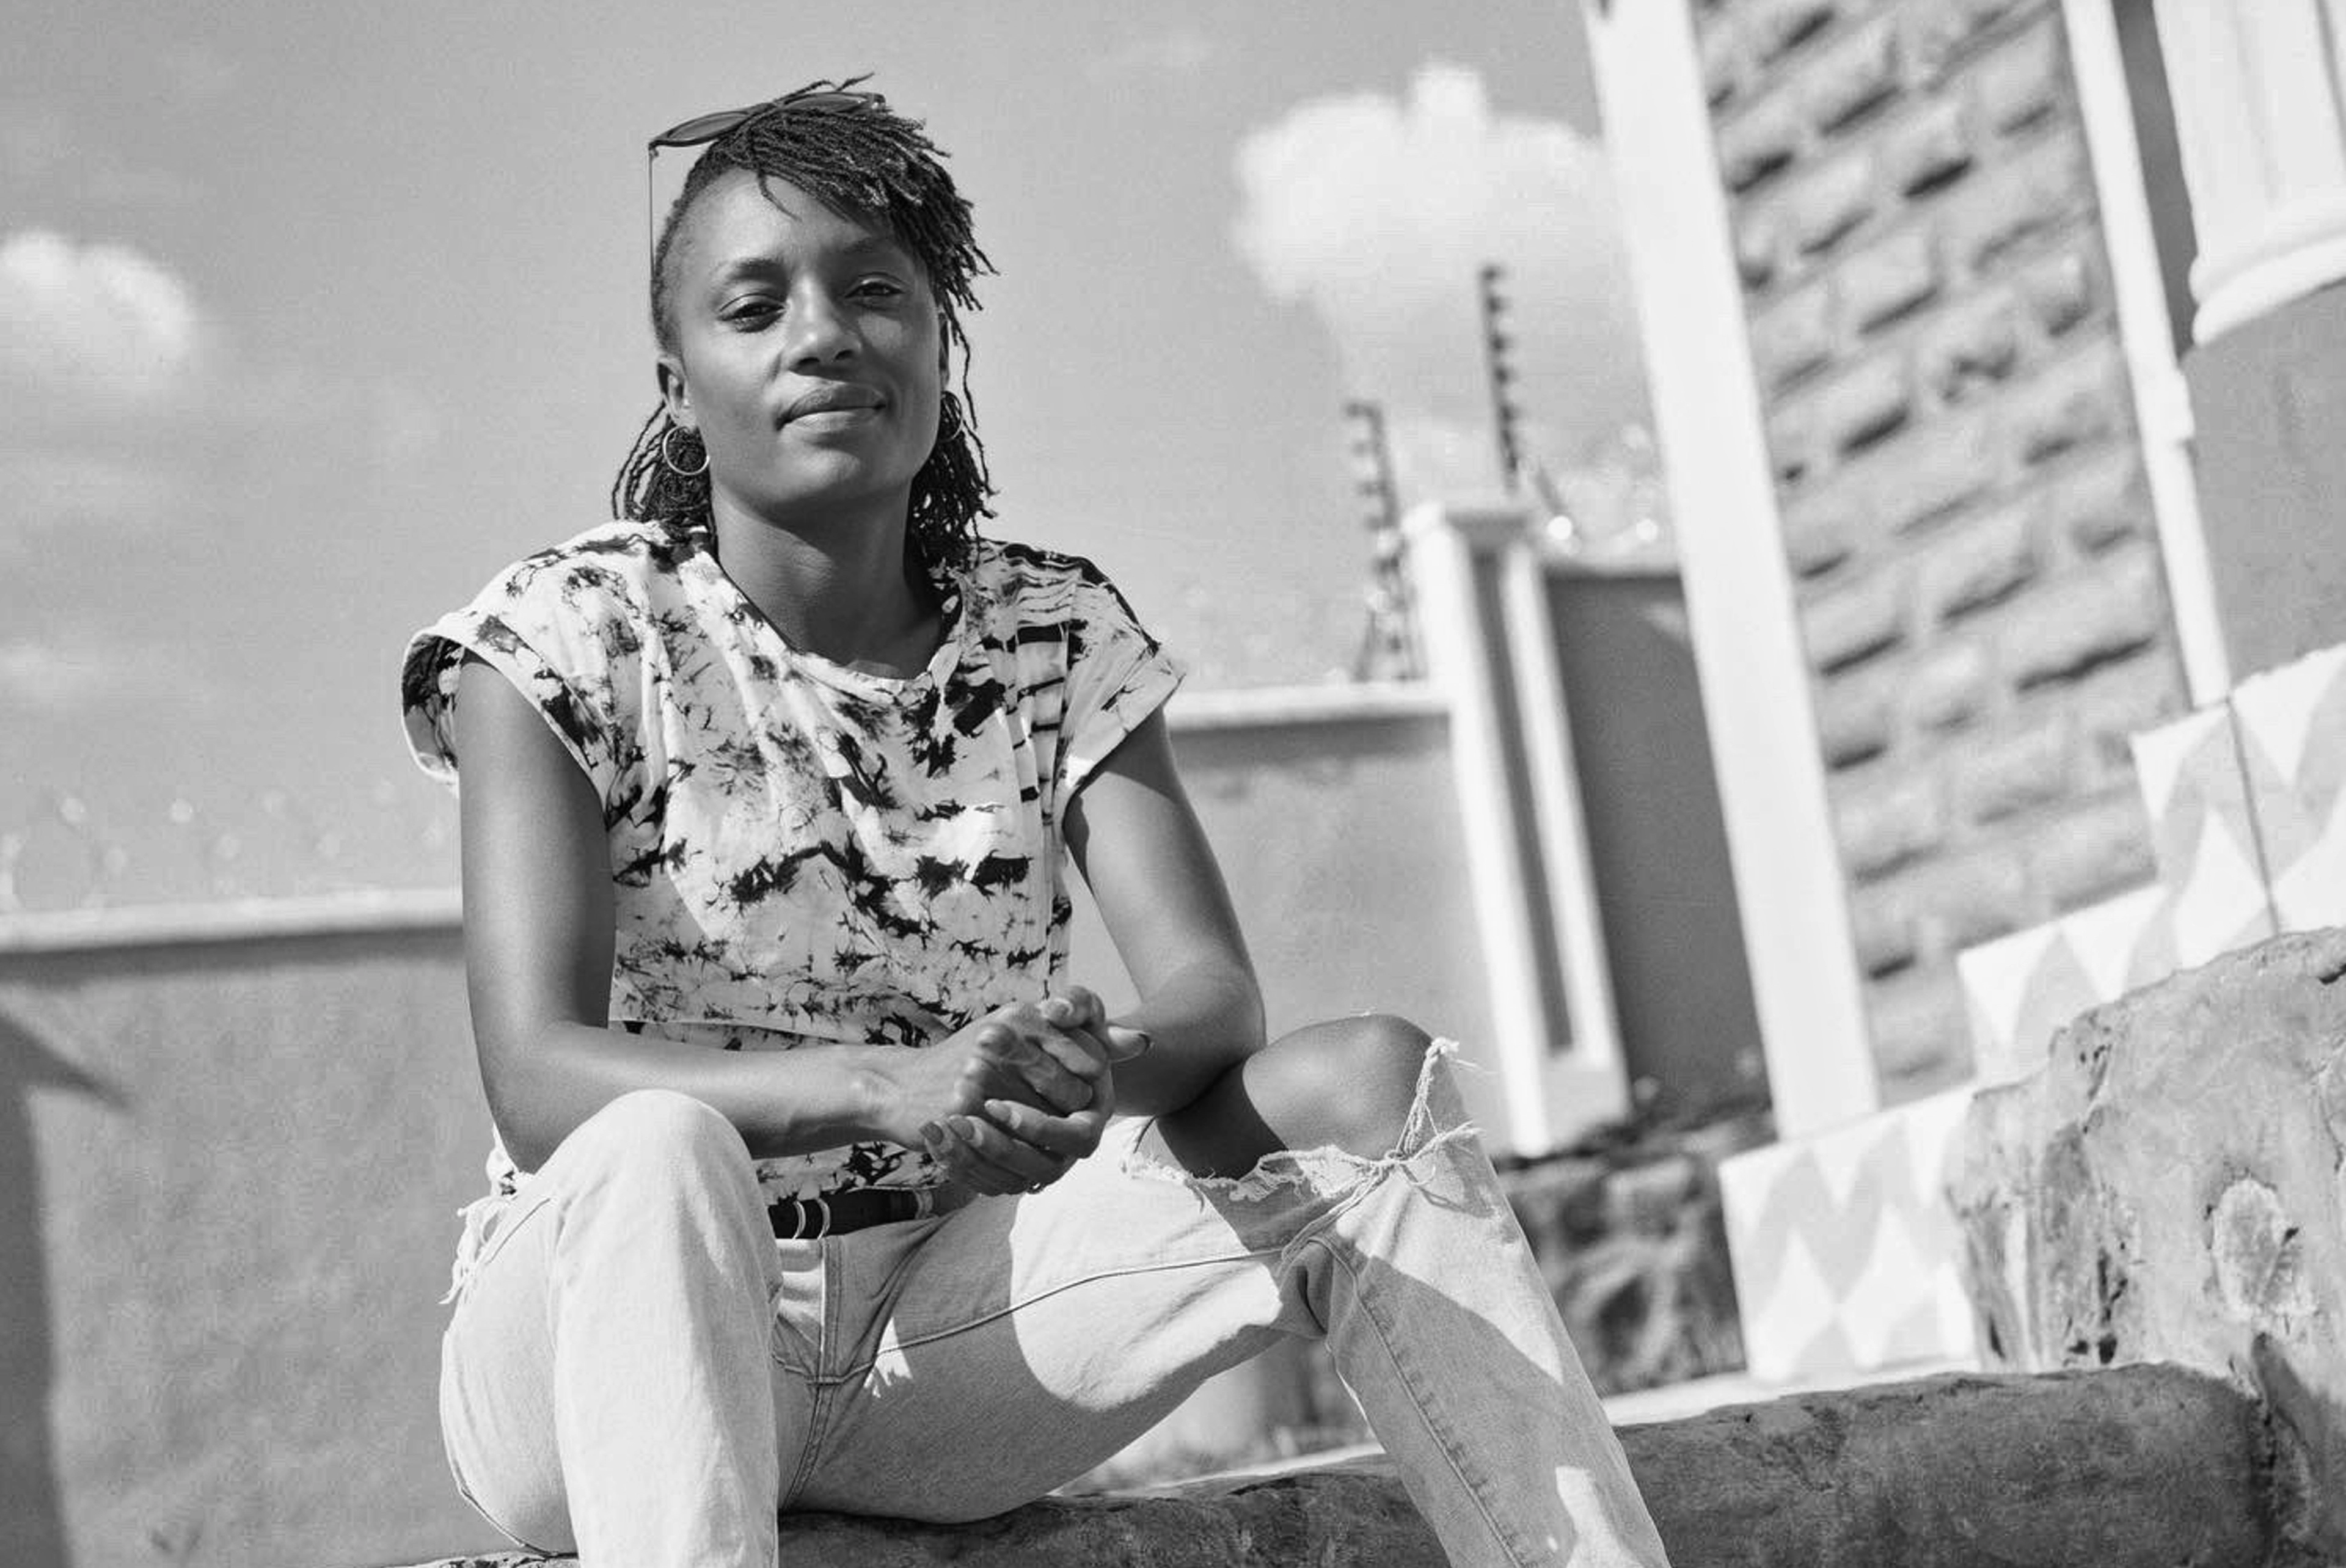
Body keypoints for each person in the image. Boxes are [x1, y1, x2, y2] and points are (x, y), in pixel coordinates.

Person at [398, 79, 1672, 1568]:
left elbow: (1212, 996)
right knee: (660, 1142)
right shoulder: (564, 632)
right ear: (677, 382)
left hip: (943, 1335)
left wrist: (1068, 1074)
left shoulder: (1052, 633)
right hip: (601, 1340)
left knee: (1366, 1082)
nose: (822, 333)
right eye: (753, 308)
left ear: (939, 343)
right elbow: (541, 1083)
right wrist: (894, 1087)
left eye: (875, 292)